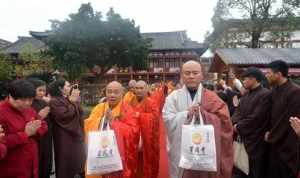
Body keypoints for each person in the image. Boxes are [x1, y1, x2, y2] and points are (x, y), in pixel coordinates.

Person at [162, 60, 233, 178]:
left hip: (204, 149)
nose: (191, 76)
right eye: (187, 73)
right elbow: (167, 119)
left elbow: (224, 120)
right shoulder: (172, 97)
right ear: (181, 76)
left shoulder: (211, 97)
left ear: (201, 75)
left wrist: (204, 115)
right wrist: (186, 114)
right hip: (181, 149)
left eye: (195, 73)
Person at [84, 81, 140, 178]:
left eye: (116, 92)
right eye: (109, 92)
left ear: (122, 93)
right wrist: (102, 120)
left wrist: (113, 123)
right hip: (99, 154)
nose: (112, 95)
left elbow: (133, 132)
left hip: (118, 157)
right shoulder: (99, 108)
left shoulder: (128, 110)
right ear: (105, 93)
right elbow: (88, 124)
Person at [0, 79, 48, 178]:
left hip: (31, 165)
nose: (27, 103)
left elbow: (43, 125)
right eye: (23, 100)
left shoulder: (29, 110)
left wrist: (35, 130)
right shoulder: (2, 112)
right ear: (10, 96)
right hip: (12, 168)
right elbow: (3, 142)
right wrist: (25, 134)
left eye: (30, 100)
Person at [232, 67, 271, 178]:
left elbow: (257, 117)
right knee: (239, 169)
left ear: (254, 79)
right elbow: (237, 113)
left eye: (245, 79)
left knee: (255, 171)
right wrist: (232, 124)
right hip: (242, 138)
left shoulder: (265, 94)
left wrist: (238, 127)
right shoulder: (246, 96)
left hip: (256, 141)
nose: (243, 82)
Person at [265, 60, 300, 178]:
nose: (266, 75)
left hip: (288, 146)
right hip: (274, 143)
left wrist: (271, 136)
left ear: (278, 74)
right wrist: (268, 131)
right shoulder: (274, 91)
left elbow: (288, 120)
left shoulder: (295, 91)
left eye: (269, 73)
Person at [48, 79, 86, 178]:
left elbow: (80, 113)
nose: (70, 88)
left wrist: (74, 101)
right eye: (68, 86)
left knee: (79, 159)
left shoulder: (68, 98)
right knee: (65, 161)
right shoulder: (54, 101)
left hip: (76, 134)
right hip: (64, 136)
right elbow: (63, 117)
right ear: (60, 88)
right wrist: (72, 102)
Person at [134, 80, 160, 178]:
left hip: (148, 140)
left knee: (148, 162)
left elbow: (155, 118)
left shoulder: (152, 102)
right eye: (137, 88)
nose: (139, 90)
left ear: (146, 89)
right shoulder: (130, 101)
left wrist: (139, 115)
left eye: (141, 88)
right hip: (134, 138)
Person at [28, 78, 53, 178]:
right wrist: (39, 117)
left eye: (44, 90)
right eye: (40, 90)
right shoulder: (28, 103)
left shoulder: (45, 103)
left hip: (46, 138)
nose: (42, 93)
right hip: (35, 139)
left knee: (46, 162)